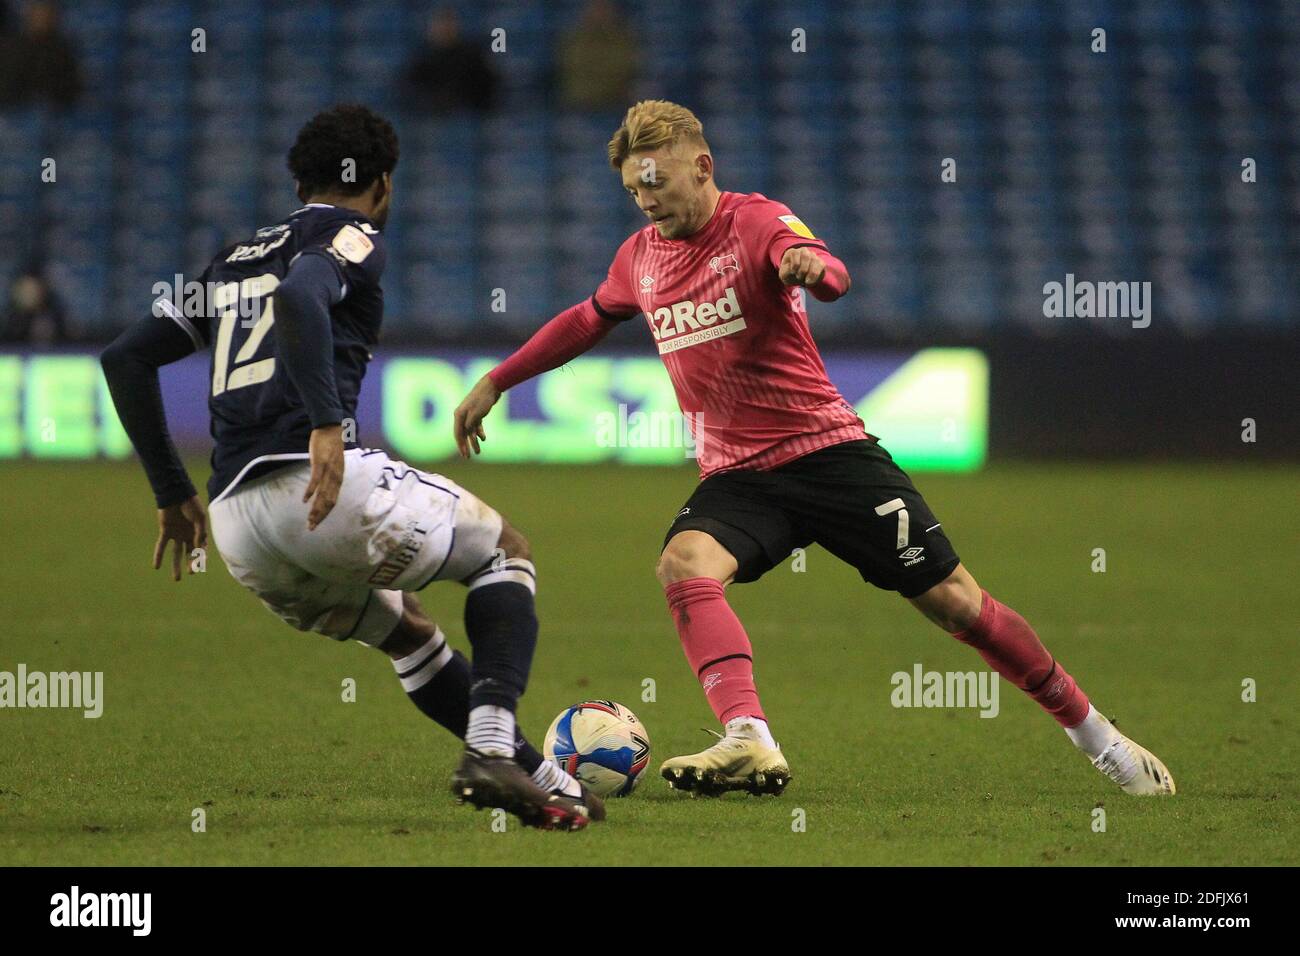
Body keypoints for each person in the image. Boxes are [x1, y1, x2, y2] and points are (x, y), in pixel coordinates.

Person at [453, 100, 1175, 800]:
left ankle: (1099, 739)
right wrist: (496, 379)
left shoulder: (757, 221)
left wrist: (810, 268)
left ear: (701, 167)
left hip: (827, 455)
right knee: (683, 563)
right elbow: (586, 319)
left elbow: (826, 269)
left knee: (957, 604)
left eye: (656, 182)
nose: (644, 200)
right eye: (632, 188)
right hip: (738, 475)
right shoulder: (637, 258)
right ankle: (747, 735)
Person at [100, 104, 601, 830]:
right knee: (505, 554)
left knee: (409, 633)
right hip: (317, 489)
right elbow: (305, 294)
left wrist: (171, 490)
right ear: (384, 184)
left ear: (299, 179)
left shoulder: (231, 259)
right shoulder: (353, 233)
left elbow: (125, 357)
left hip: (239, 526)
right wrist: (326, 424)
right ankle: (491, 748)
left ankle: (542, 776)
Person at [401, 8, 497, 114]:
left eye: (449, 23)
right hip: (434, 114)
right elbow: (412, 90)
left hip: (467, 113)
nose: (445, 29)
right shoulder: (423, 59)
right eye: (440, 24)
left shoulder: (472, 57)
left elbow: (487, 87)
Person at [0, 1, 82, 110]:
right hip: (15, 115)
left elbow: (69, 94)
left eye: (47, 11)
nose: (42, 17)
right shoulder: (10, 49)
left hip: (53, 116)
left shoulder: (62, 51)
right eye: (37, 11)